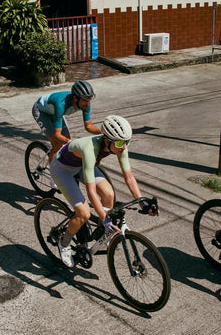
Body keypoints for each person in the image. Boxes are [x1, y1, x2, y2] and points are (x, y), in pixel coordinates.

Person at [49, 114, 157, 267]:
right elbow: (91, 190)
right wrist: (105, 218)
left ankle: (103, 233)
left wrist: (143, 203)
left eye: (127, 141)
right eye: (120, 142)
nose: (124, 146)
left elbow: (129, 177)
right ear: (107, 140)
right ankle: (64, 243)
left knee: (109, 194)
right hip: (62, 170)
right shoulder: (89, 149)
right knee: (84, 213)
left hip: (83, 166)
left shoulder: (119, 146)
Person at [32, 80, 101, 161]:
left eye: (90, 99)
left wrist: (103, 133)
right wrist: (72, 143)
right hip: (41, 111)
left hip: (55, 112)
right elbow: (57, 135)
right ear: (75, 98)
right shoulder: (61, 104)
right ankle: (53, 171)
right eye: (85, 100)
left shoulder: (85, 104)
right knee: (57, 144)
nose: (88, 103)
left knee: (67, 140)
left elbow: (88, 126)